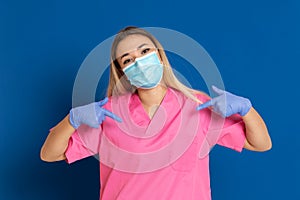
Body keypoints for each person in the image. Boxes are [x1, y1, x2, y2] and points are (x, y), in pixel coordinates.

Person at [40, 26, 272, 200]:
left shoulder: (197, 106)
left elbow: (260, 143)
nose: (139, 62)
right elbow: (49, 154)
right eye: (128, 59)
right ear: (122, 71)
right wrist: (72, 120)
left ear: (159, 55)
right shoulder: (108, 113)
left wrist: (247, 110)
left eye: (144, 51)